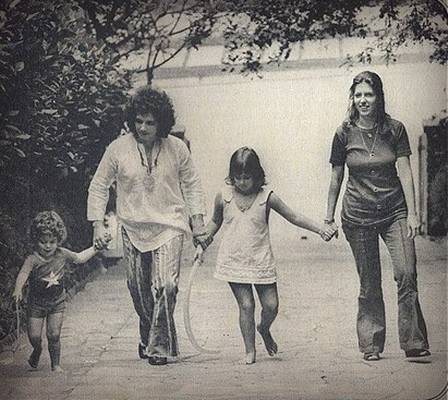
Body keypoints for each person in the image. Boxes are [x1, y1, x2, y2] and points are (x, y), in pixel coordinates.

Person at [87, 85, 208, 366]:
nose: (143, 127)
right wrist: (97, 226)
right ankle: (149, 333)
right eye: (139, 121)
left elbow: (192, 185)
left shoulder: (177, 148)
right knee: (137, 288)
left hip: (169, 225)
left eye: (150, 122)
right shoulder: (117, 149)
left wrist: (198, 223)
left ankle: (159, 347)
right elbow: (99, 186)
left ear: (162, 123)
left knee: (167, 285)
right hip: (132, 227)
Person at [324, 71, 430, 361]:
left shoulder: (395, 130)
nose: (363, 100)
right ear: (352, 98)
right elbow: (336, 178)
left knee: (406, 272)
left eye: (369, 94)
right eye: (358, 95)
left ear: (379, 97)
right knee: (369, 281)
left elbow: (405, 171)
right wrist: (328, 218)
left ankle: (413, 341)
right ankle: (371, 344)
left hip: (394, 210)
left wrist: (413, 214)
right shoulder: (343, 133)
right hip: (358, 216)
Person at [204, 147, 336, 364]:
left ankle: (264, 329)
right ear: (232, 176)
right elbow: (215, 222)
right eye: (238, 177)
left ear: (257, 176)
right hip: (233, 260)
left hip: (260, 261)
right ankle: (250, 351)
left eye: (247, 177)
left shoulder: (267, 197)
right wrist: (204, 238)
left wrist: (320, 229)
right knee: (246, 305)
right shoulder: (224, 197)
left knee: (271, 306)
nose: (242, 182)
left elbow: (293, 216)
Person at [12, 211, 108, 372]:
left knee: (54, 334)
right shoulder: (33, 259)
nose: (48, 246)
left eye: (52, 242)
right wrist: (18, 289)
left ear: (58, 239)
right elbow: (23, 273)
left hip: (57, 302)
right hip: (36, 304)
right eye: (43, 242)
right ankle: (37, 349)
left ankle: (55, 364)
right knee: (34, 336)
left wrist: (96, 248)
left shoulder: (62, 254)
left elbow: (80, 258)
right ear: (36, 240)